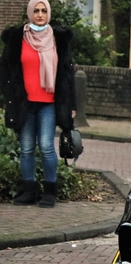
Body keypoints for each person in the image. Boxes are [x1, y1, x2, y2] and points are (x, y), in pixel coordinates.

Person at [0, 0, 76, 207]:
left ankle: (50, 192)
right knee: (26, 148)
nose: (40, 14)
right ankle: (29, 191)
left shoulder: (58, 38)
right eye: (36, 10)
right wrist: (8, 98)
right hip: (25, 104)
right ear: (29, 13)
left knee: (46, 146)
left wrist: (72, 105)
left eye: (44, 10)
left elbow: (68, 75)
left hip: (49, 104)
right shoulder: (17, 38)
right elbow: (6, 71)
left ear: (48, 13)